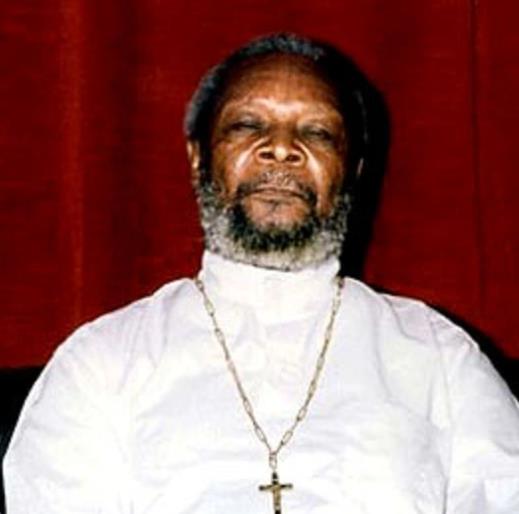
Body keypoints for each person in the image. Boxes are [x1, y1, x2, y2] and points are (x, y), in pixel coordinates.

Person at [4, 33, 519, 514]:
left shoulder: (440, 359)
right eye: (248, 126)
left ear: (352, 171)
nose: (281, 148)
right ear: (198, 159)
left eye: (317, 132)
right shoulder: (100, 364)